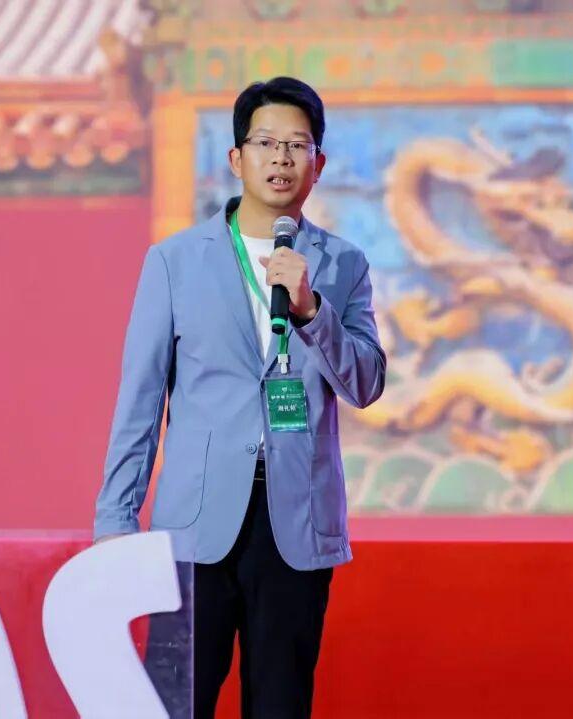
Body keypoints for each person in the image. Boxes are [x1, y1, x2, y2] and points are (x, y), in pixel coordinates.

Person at [93, 76, 386, 718]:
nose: (282, 158)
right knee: (176, 703)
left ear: (318, 164)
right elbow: (141, 402)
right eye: (266, 143)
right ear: (236, 158)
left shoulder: (343, 265)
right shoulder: (175, 261)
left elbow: (366, 383)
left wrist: (312, 313)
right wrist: (115, 521)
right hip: (195, 524)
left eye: (297, 146)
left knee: (280, 704)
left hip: (295, 521)